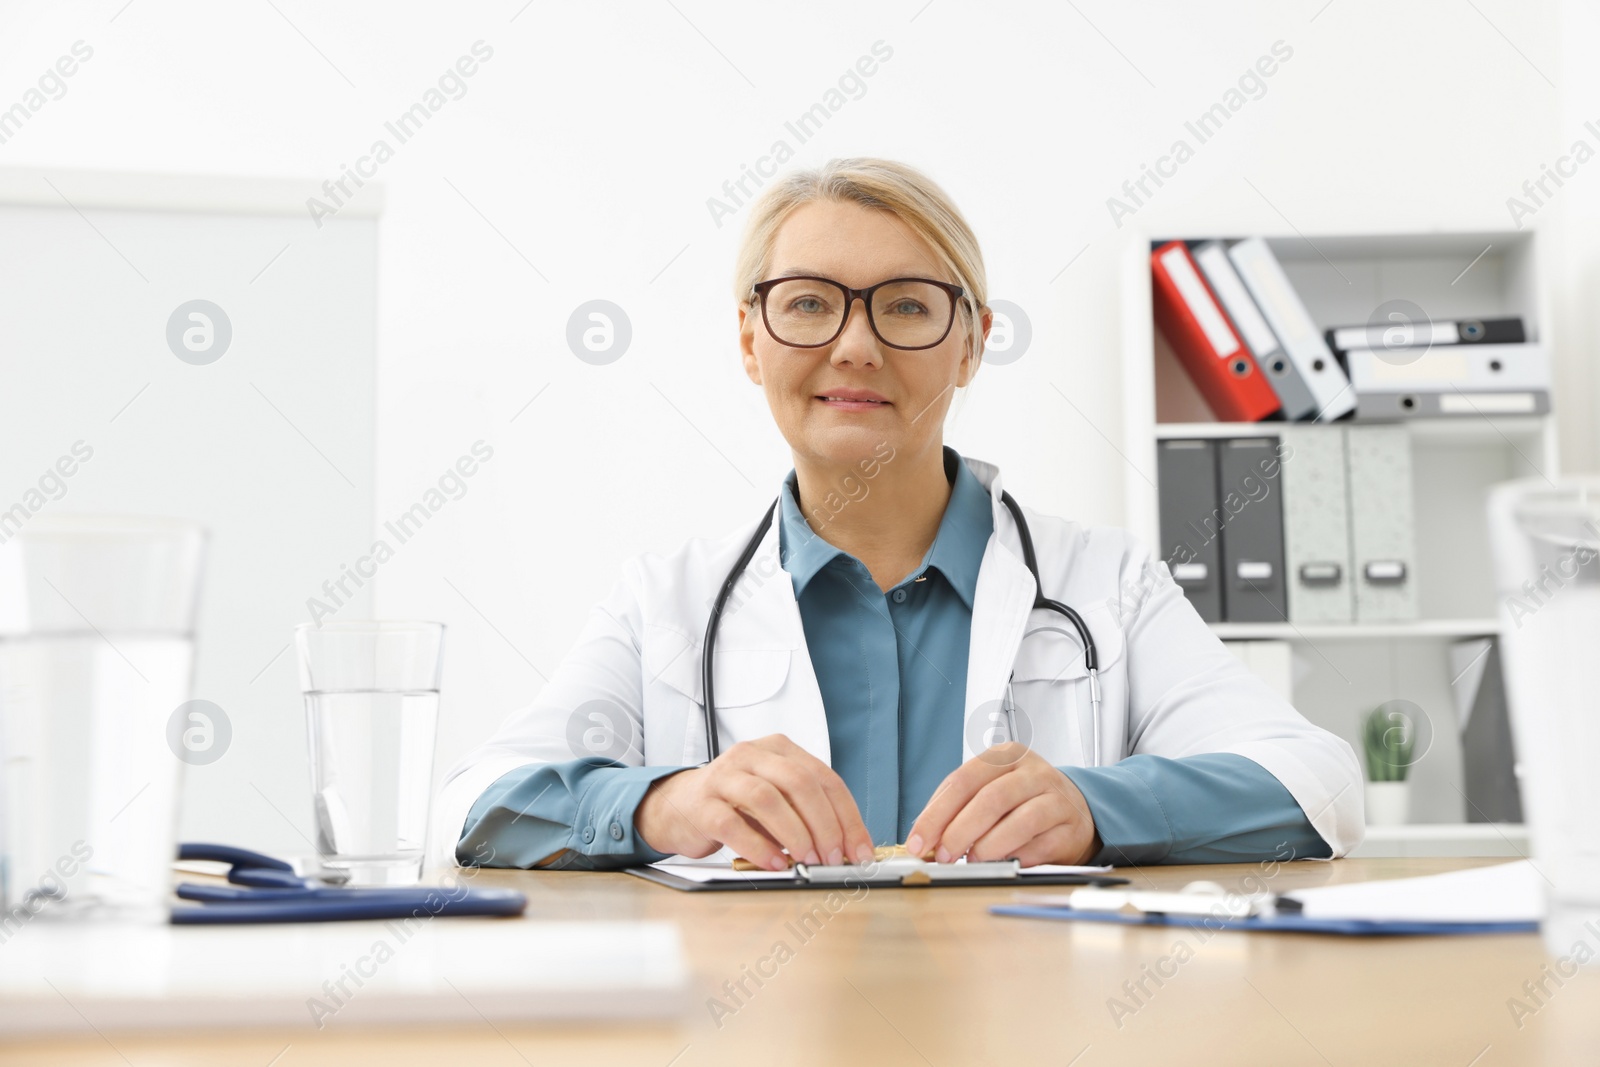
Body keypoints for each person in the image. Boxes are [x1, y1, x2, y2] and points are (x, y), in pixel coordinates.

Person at [436, 157, 1363, 874]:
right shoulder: (664, 601)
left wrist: (1096, 809)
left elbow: (1319, 785)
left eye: (907, 307)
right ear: (751, 342)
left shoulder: (1106, 583)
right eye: (808, 303)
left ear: (972, 343)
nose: (856, 346)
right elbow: (470, 809)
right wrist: (661, 806)